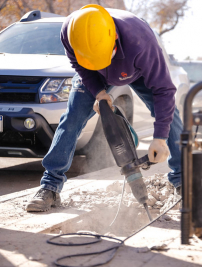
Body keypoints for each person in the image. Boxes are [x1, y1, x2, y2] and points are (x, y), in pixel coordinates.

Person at [26, 5, 182, 212]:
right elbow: (79, 66)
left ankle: (182, 181)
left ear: (115, 39)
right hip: (93, 74)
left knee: (172, 118)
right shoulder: (71, 32)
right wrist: (99, 93)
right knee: (72, 118)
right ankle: (50, 186)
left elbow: (164, 90)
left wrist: (160, 138)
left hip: (136, 71)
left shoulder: (141, 41)